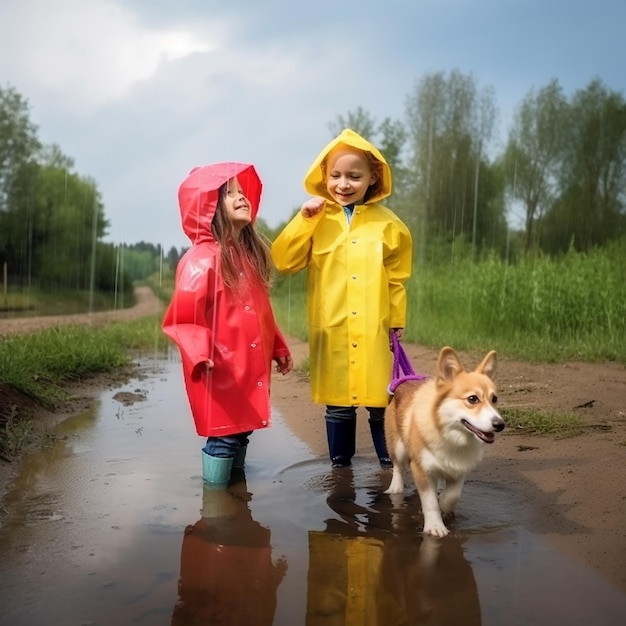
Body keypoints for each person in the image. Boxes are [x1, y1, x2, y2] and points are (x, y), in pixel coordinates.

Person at [271, 128, 412, 468]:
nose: (343, 184)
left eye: (354, 176)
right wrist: (303, 222)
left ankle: (389, 463)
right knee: (338, 402)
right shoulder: (315, 219)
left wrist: (395, 321)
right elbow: (283, 261)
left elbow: (396, 279)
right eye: (335, 175)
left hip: (374, 328)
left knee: (382, 399)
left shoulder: (390, 226)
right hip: (331, 327)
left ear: (372, 178)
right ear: (324, 176)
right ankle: (340, 468)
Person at [163, 162, 293, 486]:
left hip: (247, 364)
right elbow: (184, 318)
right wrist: (199, 352)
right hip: (219, 367)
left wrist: (278, 346)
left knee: (241, 430)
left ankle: (236, 491)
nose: (241, 197)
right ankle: (217, 504)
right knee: (224, 434)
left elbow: (262, 313)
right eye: (228, 193)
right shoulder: (200, 260)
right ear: (206, 206)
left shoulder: (247, 257)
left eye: (241, 191)